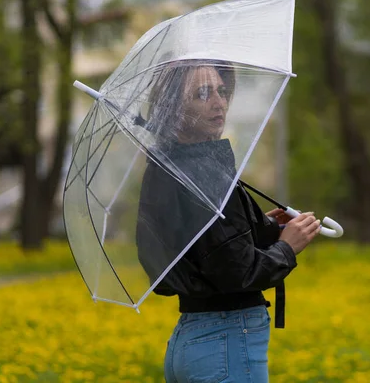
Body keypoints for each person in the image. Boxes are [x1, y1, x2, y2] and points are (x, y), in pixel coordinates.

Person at [135, 59, 321, 383]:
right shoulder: (202, 176)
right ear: (173, 108)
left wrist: (255, 226)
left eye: (222, 91)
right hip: (226, 340)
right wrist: (287, 248)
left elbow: (204, 252)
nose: (219, 102)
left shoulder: (167, 167)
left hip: (191, 340)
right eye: (202, 94)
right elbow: (238, 273)